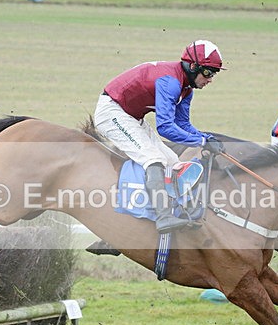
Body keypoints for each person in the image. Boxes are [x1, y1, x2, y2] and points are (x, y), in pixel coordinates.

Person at [94, 40, 227, 234]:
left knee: (172, 162)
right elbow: (165, 128)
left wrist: (207, 138)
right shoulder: (170, 82)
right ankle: (163, 217)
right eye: (207, 72)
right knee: (153, 159)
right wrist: (201, 141)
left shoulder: (186, 89)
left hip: (132, 117)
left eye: (214, 73)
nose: (210, 79)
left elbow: (182, 125)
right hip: (112, 112)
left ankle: (149, 218)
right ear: (193, 66)